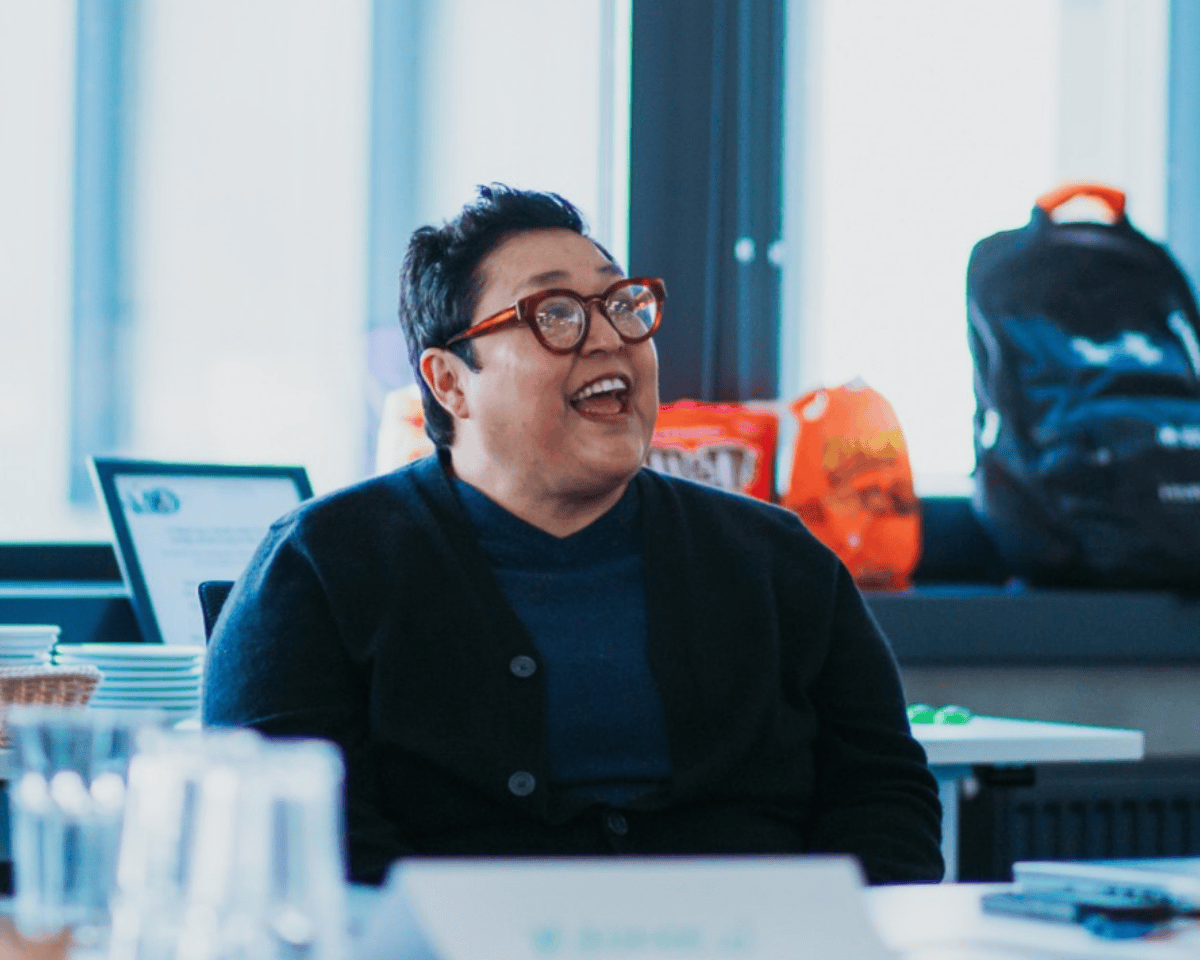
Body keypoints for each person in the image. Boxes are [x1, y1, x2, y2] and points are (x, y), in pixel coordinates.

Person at [203, 184, 943, 886]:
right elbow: (286, 839)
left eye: (622, 305)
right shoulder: (320, 567)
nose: (609, 340)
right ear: (449, 382)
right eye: (554, 314)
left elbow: (885, 798)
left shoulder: (779, 562)